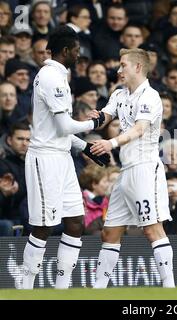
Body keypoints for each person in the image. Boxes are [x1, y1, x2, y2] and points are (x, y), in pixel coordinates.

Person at [21, 26, 109, 290]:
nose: (79, 55)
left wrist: (85, 148)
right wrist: (95, 123)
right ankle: (25, 288)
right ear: (67, 50)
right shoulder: (50, 77)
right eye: (76, 50)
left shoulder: (58, 76)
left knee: (75, 222)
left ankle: (62, 289)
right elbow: (63, 127)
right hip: (45, 159)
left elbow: (56, 128)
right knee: (44, 227)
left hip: (62, 157)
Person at [88, 48, 175, 288]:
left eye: (123, 65)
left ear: (137, 67)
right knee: (110, 232)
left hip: (145, 169)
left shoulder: (151, 96)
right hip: (126, 172)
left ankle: (171, 289)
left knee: (152, 230)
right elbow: (105, 116)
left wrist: (110, 143)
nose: (118, 70)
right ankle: (98, 290)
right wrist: (93, 120)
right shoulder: (119, 94)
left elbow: (139, 129)